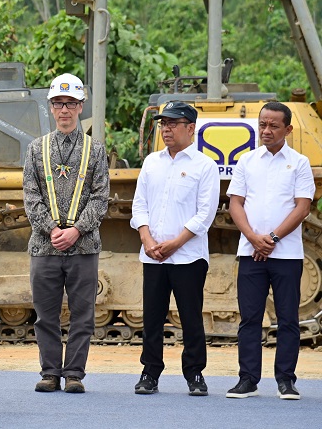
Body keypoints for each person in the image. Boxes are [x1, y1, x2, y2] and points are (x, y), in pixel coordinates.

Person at [23, 73, 109, 394]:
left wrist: (76, 231)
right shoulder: (35, 150)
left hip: (84, 247)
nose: (64, 110)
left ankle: (74, 373)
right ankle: (49, 373)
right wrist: (52, 230)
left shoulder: (96, 150)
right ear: (50, 106)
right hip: (44, 248)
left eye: (71, 103)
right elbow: (30, 197)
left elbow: (101, 197)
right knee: (45, 315)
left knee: (82, 316)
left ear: (81, 106)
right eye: (59, 103)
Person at [225, 102, 314, 400]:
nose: (266, 130)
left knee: (287, 318)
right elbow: (234, 203)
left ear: (288, 129)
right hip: (250, 252)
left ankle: (286, 380)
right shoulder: (246, 161)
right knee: (250, 318)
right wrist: (253, 238)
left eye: (273, 125)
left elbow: (302, 207)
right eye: (262, 124)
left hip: (286, 255)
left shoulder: (299, 163)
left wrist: (272, 239)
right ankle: (247, 380)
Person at [130, 101, 219, 396]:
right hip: (153, 255)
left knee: (191, 317)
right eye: (162, 124)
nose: (166, 129)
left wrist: (175, 244)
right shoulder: (151, 163)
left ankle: (194, 374)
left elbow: (205, 214)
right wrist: (147, 239)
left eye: (172, 123)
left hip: (188, 256)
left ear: (190, 128)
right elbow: (139, 204)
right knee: (152, 317)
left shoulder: (205, 166)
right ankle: (149, 373)